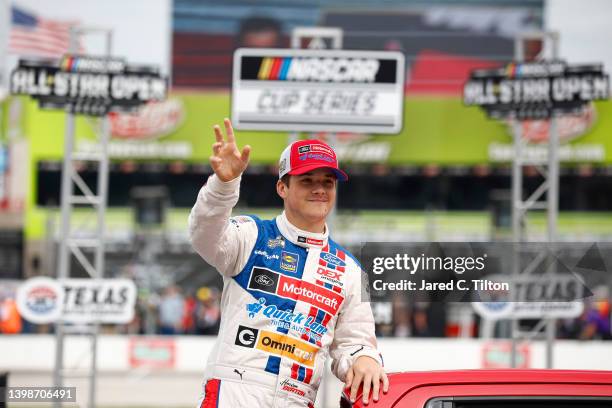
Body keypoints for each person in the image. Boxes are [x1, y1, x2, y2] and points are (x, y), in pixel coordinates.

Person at [189, 119, 387, 407]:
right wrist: (223, 186)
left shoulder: (352, 271)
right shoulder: (251, 235)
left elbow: (355, 341)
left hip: (298, 398)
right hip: (235, 393)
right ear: (282, 187)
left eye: (327, 182)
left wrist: (365, 358)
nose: (319, 189)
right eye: (307, 180)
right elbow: (202, 236)